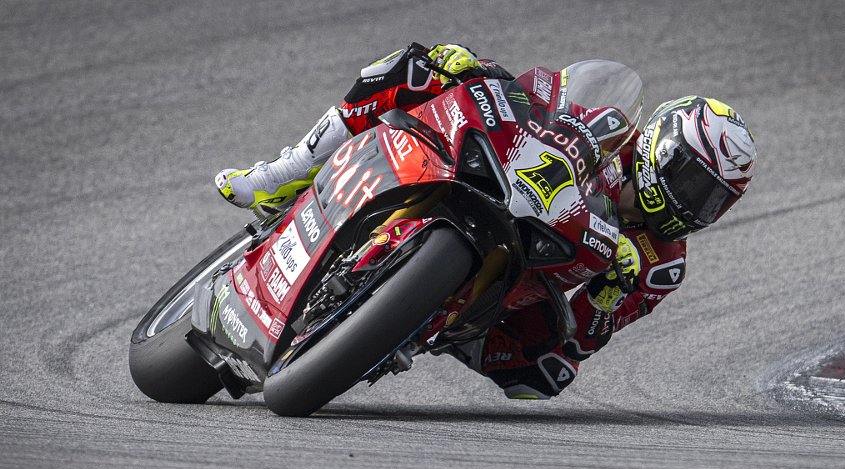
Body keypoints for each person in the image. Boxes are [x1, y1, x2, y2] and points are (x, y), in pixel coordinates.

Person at [214, 44, 757, 399]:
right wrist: (481, 69)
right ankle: (289, 171)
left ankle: (421, 324)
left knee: (547, 377)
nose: (693, 203)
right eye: (690, 180)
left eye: (711, 200)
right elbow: (541, 95)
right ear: (661, 141)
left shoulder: (662, 265)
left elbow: (582, 344)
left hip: (523, 283)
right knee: (418, 63)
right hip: (494, 182)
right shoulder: (613, 127)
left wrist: (610, 298)